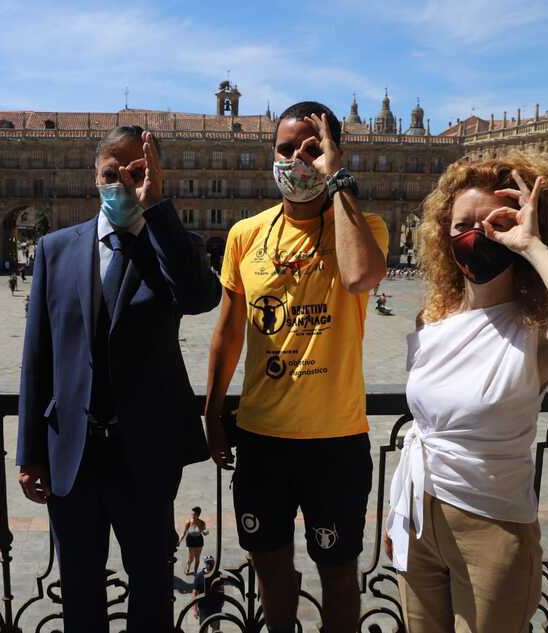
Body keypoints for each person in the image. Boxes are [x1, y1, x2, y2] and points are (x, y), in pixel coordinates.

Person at [383, 155, 548, 633]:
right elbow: (424, 428)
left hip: (492, 525)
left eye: (495, 222)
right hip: (418, 516)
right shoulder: (431, 320)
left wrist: (532, 247)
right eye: (462, 224)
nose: (476, 235)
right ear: (443, 235)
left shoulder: (537, 328)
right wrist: (397, 514)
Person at [16, 125, 221, 633]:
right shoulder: (54, 250)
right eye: (113, 173)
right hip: (73, 455)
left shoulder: (172, 247)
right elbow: (37, 355)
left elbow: (200, 297)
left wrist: (158, 210)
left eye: (137, 173)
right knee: (80, 586)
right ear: (95, 176)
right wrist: (29, 453)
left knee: (151, 584)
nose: (123, 184)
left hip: (146, 455)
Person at [205, 102, 388, 633]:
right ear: (272, 153)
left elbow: (359, 278)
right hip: (261, 437)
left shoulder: (363, 224)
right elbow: (229, 329)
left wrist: (337, 182)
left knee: (338, 575)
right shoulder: (245, 235)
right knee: (271, 573)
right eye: (287, 149)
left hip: (336, 440)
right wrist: (214, 411)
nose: (297, 159)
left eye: (312, 148)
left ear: (334, 154)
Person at [193, 555, 223, 632]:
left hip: (215, 607)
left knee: (215, 629)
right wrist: (195, 610)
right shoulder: (199, 576)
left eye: (211, 562)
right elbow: (195, 593)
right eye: (208, 562)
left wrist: (221, 603)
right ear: (205, 563)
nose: (210, 564)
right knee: (204, 629)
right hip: (204, 607)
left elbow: (222, 590)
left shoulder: (218, 574)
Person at [178, 506, 209, 575]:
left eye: (194, 514)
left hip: (198, 540)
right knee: (191, 558)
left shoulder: (202, 523)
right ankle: (188, 567)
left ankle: (195, 572)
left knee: (197, 558)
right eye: (192, 514)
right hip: (190, 540)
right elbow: (184, 533)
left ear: (198, 515)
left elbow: (204, 532)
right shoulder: (188, 522)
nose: (192, 515)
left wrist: (206, 532)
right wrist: (179, 541)